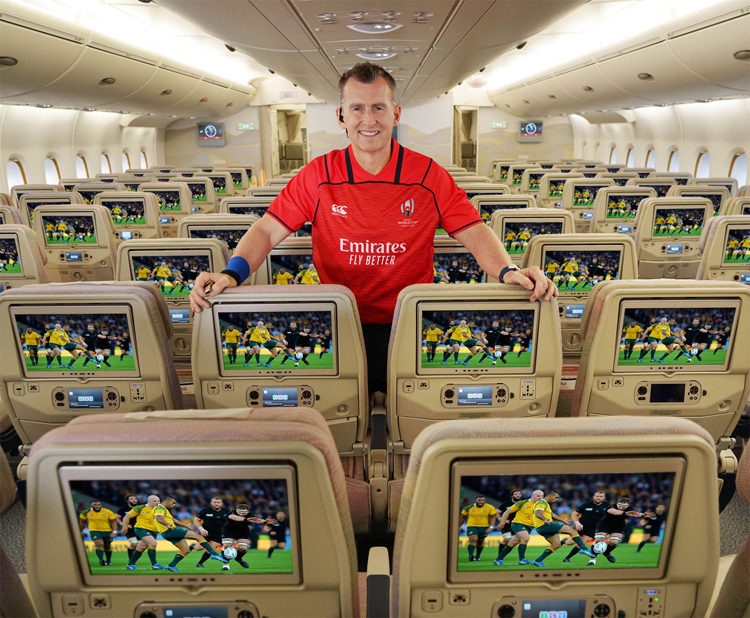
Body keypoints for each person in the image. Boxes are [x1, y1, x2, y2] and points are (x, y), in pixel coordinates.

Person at [190, 62, 556, 393]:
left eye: (378, 107)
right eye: (357, 108)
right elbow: (267, 230)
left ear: (396, 114)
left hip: (409, 322)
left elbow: (474, 230)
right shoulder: (317, 175)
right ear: (341, 116)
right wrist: (231, 273)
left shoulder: (428, 175)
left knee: (407, 415)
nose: (369, 119)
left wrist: (507, 270)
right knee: (349, 417)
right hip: (339, 322)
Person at [458, 496, 497, 562]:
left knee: (480, 542)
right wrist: (458, 526)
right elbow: (462, 517)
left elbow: (493, 517)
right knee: (473, 539)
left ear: (484, 501)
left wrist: (491, 527)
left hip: (484, 526)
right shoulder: (468, 507)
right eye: (479, 500)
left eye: (482, 500)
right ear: (475, 501)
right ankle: (471, 555)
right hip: (472, 526)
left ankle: (477, 556)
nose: (481, 501)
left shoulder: (490, 507)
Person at [79, 500, 117, 566]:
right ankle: (101, 560)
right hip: (94, 530)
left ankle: (108, 561)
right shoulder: (86, 512)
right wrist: (81, 531)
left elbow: (113, 521)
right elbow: (82, 522)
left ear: (101, 505)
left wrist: (114, 531)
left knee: (107, 546)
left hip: (107, 531)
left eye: (99, 505)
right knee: (99, 544)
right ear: (91, 505)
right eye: (95, 505)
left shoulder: (108, 511)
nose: (97, 506)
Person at [115, 494, 140, 561]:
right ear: (127, 501)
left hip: (139, 528)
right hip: (130, 529)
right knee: (133, 543)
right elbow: (116, 517)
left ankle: (133, 557)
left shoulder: (140, 508)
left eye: (135, 499)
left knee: (139, 545)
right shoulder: (124, 508)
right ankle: (131, 561)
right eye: (131, 499)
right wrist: (124, 525)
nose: (134, 500)